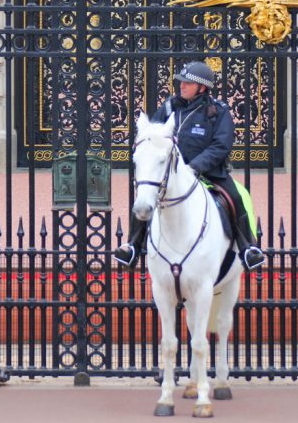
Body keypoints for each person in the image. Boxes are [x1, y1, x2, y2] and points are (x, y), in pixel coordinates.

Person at [114, 61, 267, 270]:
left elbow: (221, 146)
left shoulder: (218, 112)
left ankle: (247, 247)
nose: (182, 86)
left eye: (188, 82)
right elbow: (152, 135)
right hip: (171, 175)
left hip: (209, 173)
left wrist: (194, 167)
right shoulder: (169, 108)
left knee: (235, 198)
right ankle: (133, 246)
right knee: (145, 196)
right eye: (181, 82)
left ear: (202, 87)